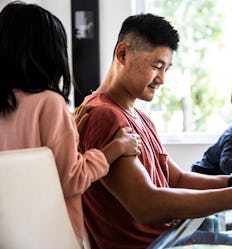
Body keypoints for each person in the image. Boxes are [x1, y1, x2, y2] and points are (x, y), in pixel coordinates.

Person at [79, 13, 232, 249]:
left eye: (167, 69)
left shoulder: (140, 117)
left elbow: (176, 179)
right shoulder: (102, 115)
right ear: (123, 54)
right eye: (156, 66)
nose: (162, 79)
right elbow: (146, 206)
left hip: (172, 237)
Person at [0, 1, 141, 247]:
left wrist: (68, 133)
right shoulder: (49, 103)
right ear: (49, 54)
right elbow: (71, 179)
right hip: (49, 236)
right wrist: (115, 148)